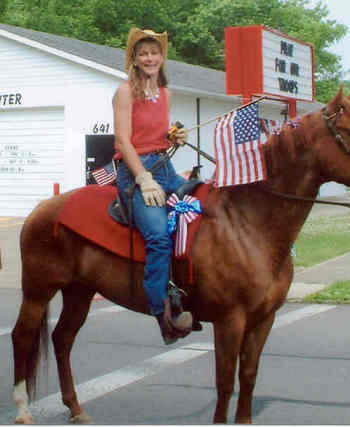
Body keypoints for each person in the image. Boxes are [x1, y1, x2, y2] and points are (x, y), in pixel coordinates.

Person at [113, 27, 192, 344]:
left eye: (154, 52)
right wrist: (143, 179)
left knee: (203, 201)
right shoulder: (124, 92)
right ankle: (162, 314)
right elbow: (123, 139)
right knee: (158, 237)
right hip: (135, 171)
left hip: (165, 166)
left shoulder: (166, 93)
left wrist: (173, 137)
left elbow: (156, 135)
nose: (149, 58)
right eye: (143, 52)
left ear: (162, 57)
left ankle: (190, 287)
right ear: (134, 57)